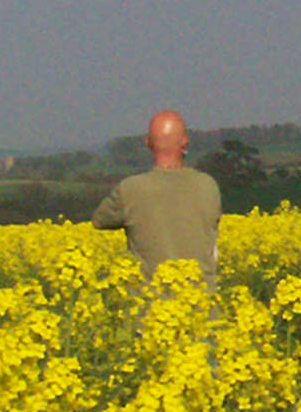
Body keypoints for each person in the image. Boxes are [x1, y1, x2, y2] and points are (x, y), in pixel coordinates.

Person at [92, 110, 221, 293]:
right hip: (202, 305)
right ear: (185, 141)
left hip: (150, 305)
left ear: (148, 142)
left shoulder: (130, 189)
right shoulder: (208, 186)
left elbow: (99, 221)